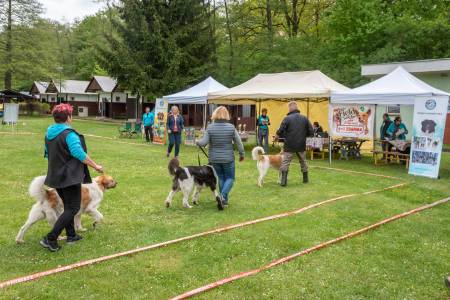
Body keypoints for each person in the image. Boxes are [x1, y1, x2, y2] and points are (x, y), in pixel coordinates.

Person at [40, 104, 103, 252]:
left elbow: (47, 154)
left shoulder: (48, 133)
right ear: (68, 117)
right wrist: (96, 166)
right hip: (69, 177)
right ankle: (50, 238)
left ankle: (71, 235)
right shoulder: (69, 134)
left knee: (68, 206)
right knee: (73, 207)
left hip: (56, 176)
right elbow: (79, 154)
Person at [197, 106, 244, 206]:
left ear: (215, 114)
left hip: (214, 159)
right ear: (226, 115)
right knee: (230, 178)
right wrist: (241, 154)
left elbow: (203, 142)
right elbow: (239, 143)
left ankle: (224, 201)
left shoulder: (210, 127)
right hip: (228, 158)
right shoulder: (231, 127)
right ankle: (222, 196)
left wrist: (197, 141)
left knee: (221, 178)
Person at [276, 101, 314, 187]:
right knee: (303, 161)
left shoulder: (287, 118)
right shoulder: (304, 118)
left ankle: (283, 182)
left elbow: (280, 130)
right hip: (301, 144)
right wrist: (304, 135)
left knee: (285, 162)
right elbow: (311, 132)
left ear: (290, 108)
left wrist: (278, 134)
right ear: (297, 108)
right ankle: (305, 179)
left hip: (289, 144)